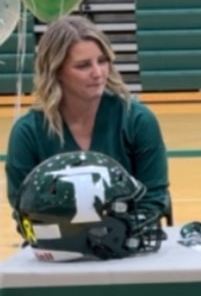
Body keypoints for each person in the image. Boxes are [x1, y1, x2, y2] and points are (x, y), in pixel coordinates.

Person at [4, 15, 170, 219]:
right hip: (55, 247)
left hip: (130, 243)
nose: (98, 73)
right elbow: (23, 207)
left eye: (102, 61)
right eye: (83, 66)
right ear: (56, 71)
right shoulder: (27, 132)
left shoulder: (137, 120)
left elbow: (154, 198)